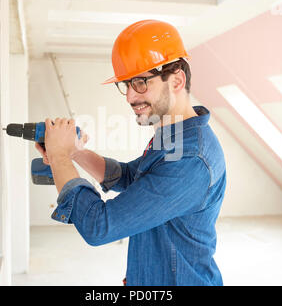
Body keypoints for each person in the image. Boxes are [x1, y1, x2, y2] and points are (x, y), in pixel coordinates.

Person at [35, 20, 227, 286]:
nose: (129, 96)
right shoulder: (175, 140)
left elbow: (98, 226)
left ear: (176, 80)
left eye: (139, 82)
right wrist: (74, 152)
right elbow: (128, 176)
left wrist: (58, 158)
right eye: (126, 84)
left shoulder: (190, 158)